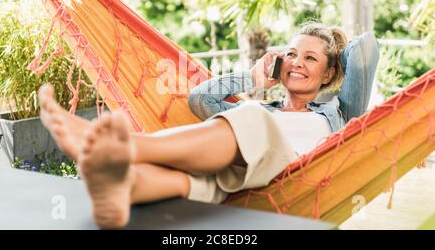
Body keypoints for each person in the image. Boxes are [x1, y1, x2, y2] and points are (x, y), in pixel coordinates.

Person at [38, 22, 379, 229]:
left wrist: (334, 43)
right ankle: (122, 186)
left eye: (310, 58)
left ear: (330, 73)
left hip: (296, 179)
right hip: (246, 186)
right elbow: (200, 100)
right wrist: (253, 78)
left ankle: (127, 145)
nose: (296, 63)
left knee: (250, 118)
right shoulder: (264, 107)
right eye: (290, 54)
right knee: (195, 181)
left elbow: (365, 50)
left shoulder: (339, 112)